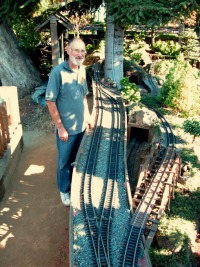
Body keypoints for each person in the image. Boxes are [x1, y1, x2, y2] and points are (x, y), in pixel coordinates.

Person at [45, 38, 92, 206]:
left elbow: (83, 96)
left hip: (81, 128)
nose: (80, 54)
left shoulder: (82, 70)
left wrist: (88, 117)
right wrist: (60, 127)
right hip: (66, 130)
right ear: (68, 50)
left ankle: (73, 185)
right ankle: (64, 190)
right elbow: (50, 101)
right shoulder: (58, 72)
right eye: (76, 50)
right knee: (64, 162)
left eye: (82, 51)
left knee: (76, 159)